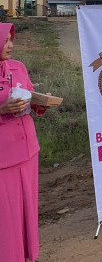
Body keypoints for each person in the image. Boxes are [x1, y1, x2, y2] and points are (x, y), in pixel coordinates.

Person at [0, 23, 49, 260]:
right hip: (4, 158)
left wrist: (40, 103)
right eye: (5, 40)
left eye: (11, 40)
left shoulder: (18, 67)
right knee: (6, 214)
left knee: (27, 206)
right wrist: (2, 109)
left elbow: (28, 98)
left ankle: (28, 252)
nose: (10, 45)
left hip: (28, 150)